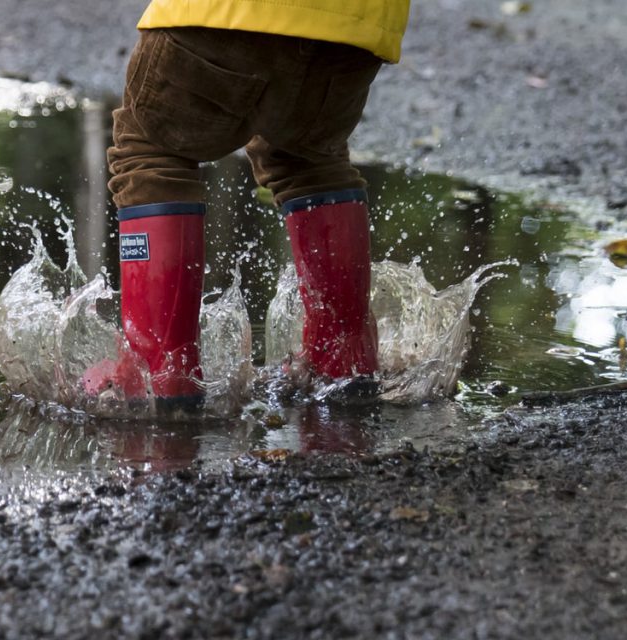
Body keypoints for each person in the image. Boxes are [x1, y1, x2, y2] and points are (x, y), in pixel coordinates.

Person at [83, 0, 411, 410]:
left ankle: (159, 377)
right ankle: (343, 363)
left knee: (150, 150)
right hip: (357, 27)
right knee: (309, 159)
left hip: (229, 11)